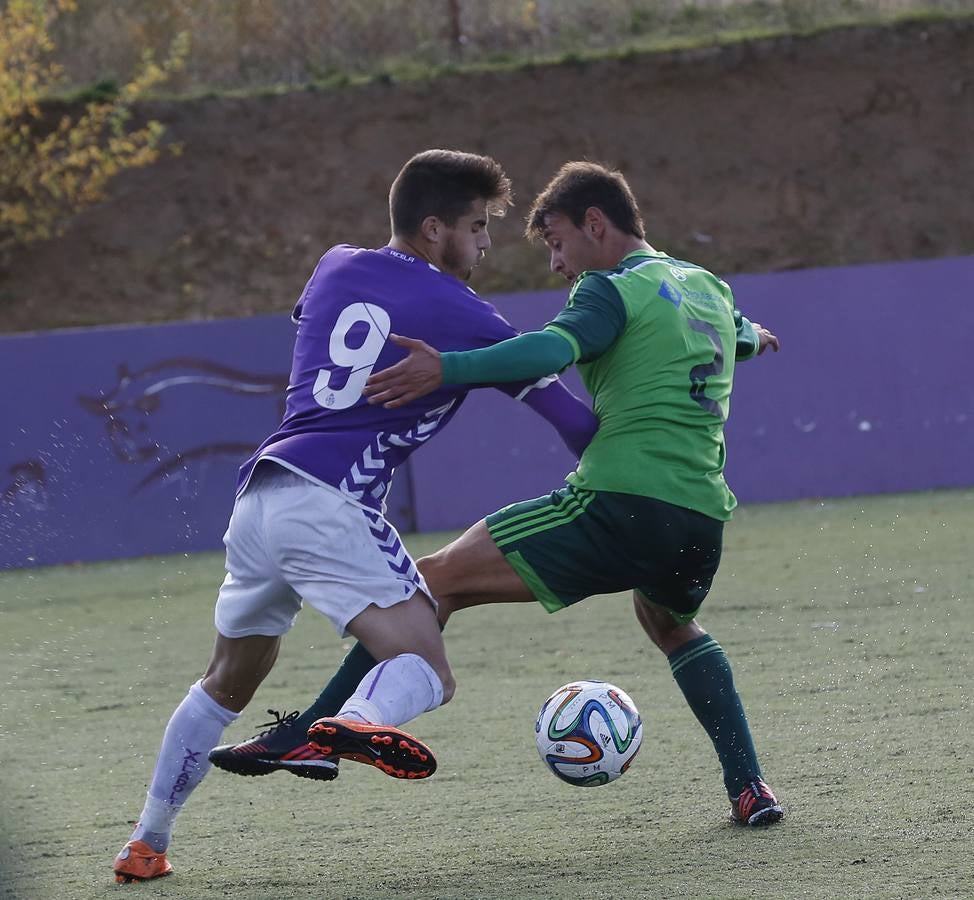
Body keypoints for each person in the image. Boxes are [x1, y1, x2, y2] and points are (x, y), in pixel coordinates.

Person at [216, 161, 785, 828]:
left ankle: (315, 732)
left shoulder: (608, 289)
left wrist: (447, 368)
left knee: (430, 584)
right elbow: (745, 336)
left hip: (619, 501)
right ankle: (750, 788)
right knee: (670, 622)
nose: (555, 264)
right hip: (701, 517)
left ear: (595, 224)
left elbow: (550, 352)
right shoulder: (707, 286)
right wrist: (756, 338)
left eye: (556, 241)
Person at [112, 149, 599, 884]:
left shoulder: (334, 264)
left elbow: (328, 327)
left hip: (260, 498)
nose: (486, 244)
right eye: (477, 226)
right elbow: (573, 424)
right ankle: (353, 727)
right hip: (329, 502)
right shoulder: (467, 316)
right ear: (434, 230)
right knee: (426, 667)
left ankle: (146, 842)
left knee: (226, 682)